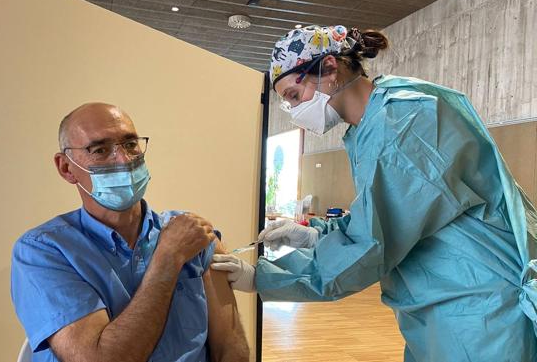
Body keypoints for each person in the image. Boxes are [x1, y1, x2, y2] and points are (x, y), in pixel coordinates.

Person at [212, 25, 537, 361]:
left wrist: (263, 278)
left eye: (295, 96)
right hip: (450, 300)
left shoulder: (399, 123)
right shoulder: (378, 118)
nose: (294, 111)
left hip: (477, 306)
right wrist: (315, 234)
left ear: (329, 69)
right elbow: (388, 214)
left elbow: (372, 245)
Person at [11, 103, 249, 362]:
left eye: (130, 144)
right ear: (66, 168)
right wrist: (168, 259)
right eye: (100, 150)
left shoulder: (191, 233)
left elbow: (231, 347)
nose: (124, 160)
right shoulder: (44, 250)